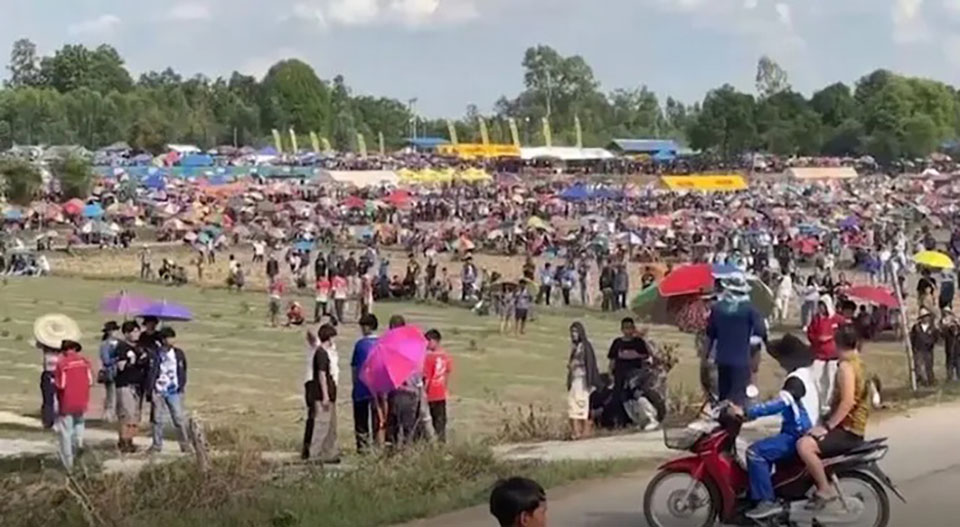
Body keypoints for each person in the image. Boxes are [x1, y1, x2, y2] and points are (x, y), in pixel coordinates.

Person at [796, 325, 871, 510]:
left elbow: (847, 402)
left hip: (848, 430)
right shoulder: (859, 362)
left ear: (837, 344)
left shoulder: (846, 367)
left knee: (804, 446)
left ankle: (824, 488)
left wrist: (827, 426)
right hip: (854, 427)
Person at [733, 349, 815, 519]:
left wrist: (749, 411)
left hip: (796, 435)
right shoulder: (806, 375)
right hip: (803, 430)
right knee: (764, 444)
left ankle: (766, 501)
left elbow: (778, 404)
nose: (779, 362)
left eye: (780, 357)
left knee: (755, 452)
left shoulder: (795, 380)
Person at [706, 275, 767, 405]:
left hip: (722, 358)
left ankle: (723, 414)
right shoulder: (750, 309)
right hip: (741, 359)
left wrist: (707, 354)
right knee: (738, 398)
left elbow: (710, 333)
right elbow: (761, 331)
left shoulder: (717, 308)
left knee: (723, 395)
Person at [607, 317, 665, 428]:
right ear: (621, 329)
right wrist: (610, 374)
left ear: (633, 329)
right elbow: (612, 360)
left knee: (637, 395)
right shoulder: (617, 343)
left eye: (630, 328)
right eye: (625, 328)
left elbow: (647, 358)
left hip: (635, 375)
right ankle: (631, 421)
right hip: (620, 375)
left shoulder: (638, 343)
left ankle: (651, 417)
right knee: (622, 398)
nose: (628, 331)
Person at [147, 327, 191, 453]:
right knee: (157, 419)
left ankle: (185, 445)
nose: (172, 340)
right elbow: (151, 371)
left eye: (173, 337)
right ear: (163, 340)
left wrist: (181, 385)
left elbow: (183, 369)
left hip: (174, 391)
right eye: (169, 338)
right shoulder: (155, 354)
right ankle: (157, 445)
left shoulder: (178, 354)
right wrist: (151, 389)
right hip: (159, 390)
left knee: (178, 419)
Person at [53, 339, 92, 470]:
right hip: (82, 400)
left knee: (66, 432)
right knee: (79, 424)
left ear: (64, 351)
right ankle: (79, 445)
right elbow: (90, 381)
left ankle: (68, 463)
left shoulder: (62, 363)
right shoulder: (85, 361)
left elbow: (61, 385)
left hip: (67, 401)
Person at [305, 324, 340, 462]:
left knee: (331, 426)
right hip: (322, 395)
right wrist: (325, 395)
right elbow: (322, 375)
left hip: (331, 394)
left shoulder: (326, 353)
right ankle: (315, 453)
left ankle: (329, 452)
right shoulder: (321, 354)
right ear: (329, 337)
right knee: (322, 425)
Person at [114, 321, 148, 453]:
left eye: (137, 331)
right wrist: (133, 362)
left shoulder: (139, 347)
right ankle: (124, 442)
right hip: (125, 384)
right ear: (126, 333)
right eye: (133, 331)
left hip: (138, 385)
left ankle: (130, 441)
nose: (136, 334)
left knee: (134, 415)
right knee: (126, 414)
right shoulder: (122, 347)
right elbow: (120, 366)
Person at [807, 296, 845, 413]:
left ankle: (827, 403)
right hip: (819, 353)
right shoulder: (816, 319)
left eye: (823, 305)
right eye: (820, 305)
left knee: (831, 379)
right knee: (815, 377)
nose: (821, 308)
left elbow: (845, 329)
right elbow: (810, 333)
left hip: (833, 354)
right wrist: (817, 339)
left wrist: (833, 338)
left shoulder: (836, 319)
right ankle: (816, 400)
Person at [351, 314, 381, 452]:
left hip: (362, 386)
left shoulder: (360, 344)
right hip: (378, 387)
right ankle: (377, 444)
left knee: (361, 419)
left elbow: (355, 367)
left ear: (367, 327)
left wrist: (354, 384)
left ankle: (362, 446)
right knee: (377, 418)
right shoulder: (381, 344)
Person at [567, 322, 601, 440]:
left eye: (576, 331)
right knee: (572, 405)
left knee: (582, 405)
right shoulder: (575, 347)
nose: (573, 334)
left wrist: (591, 382)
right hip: (575, 379)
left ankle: (584, 432)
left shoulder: (586, 347)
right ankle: (575, 432)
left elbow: (590, 364)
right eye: (572, 332)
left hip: (583, 380)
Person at [423, 329, 452, 443]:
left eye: (428, 341)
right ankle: (441, 442)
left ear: (434, 341)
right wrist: (445, 389)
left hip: (431, 394)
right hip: (441, 394)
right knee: (441, 421)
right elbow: (447, 374)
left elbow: (427, 378)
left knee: (431, 421)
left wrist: (424, 393)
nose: (426, 344)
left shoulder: (429, 358)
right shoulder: (446, 356)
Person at [910, 307, 939, 386]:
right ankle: (920, 380)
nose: (926, 318)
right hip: (919, 349)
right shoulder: (916, 327)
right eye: (924, 317)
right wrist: (914, 347)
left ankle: (930, 380)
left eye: (927, 316)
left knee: (928, 365)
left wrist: (930, 342)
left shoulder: (932, 328)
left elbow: (935, 337)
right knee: (919, 365)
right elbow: (912, 338)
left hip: (928, 350)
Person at [98, 321, 120, 423]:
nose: (115, 332)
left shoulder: (120, 343)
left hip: (120, 373)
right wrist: (117, 358)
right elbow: (106, 360)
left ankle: (116, 415)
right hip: (110, 372)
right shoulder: (105, 345)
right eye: (113, 330)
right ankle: (108, 416)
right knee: (111, 395)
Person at [943, 307, 960, 382]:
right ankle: (950, 377)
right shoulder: (946, 326)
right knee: (949, 362)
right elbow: (942, 332)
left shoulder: (956, 323)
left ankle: (958, 376)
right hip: (949, 347)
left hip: (958, 348)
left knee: (958, 362)